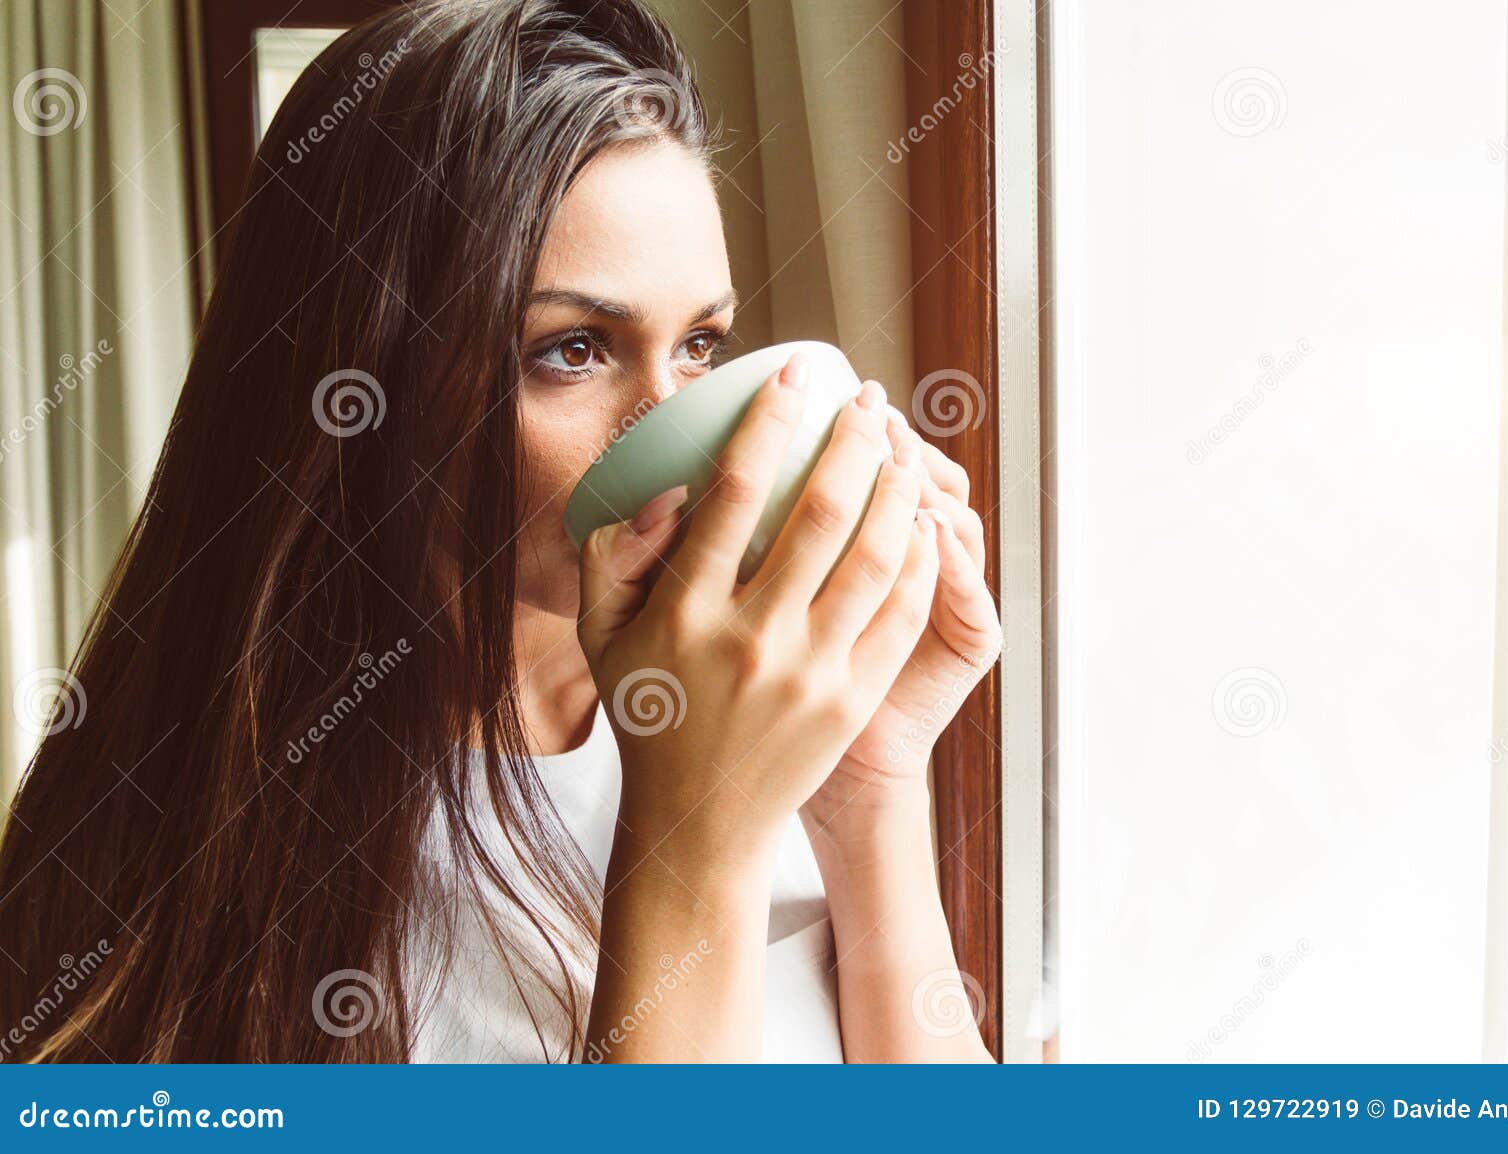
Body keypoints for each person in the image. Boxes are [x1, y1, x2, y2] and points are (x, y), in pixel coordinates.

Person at [0, 0, 998, 1063]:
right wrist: (692, 845)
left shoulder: (759, 706)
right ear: (362, 379)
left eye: (702, 342)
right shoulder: (204, 877)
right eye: (572, 349)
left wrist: (871, 787)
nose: (677, 426)